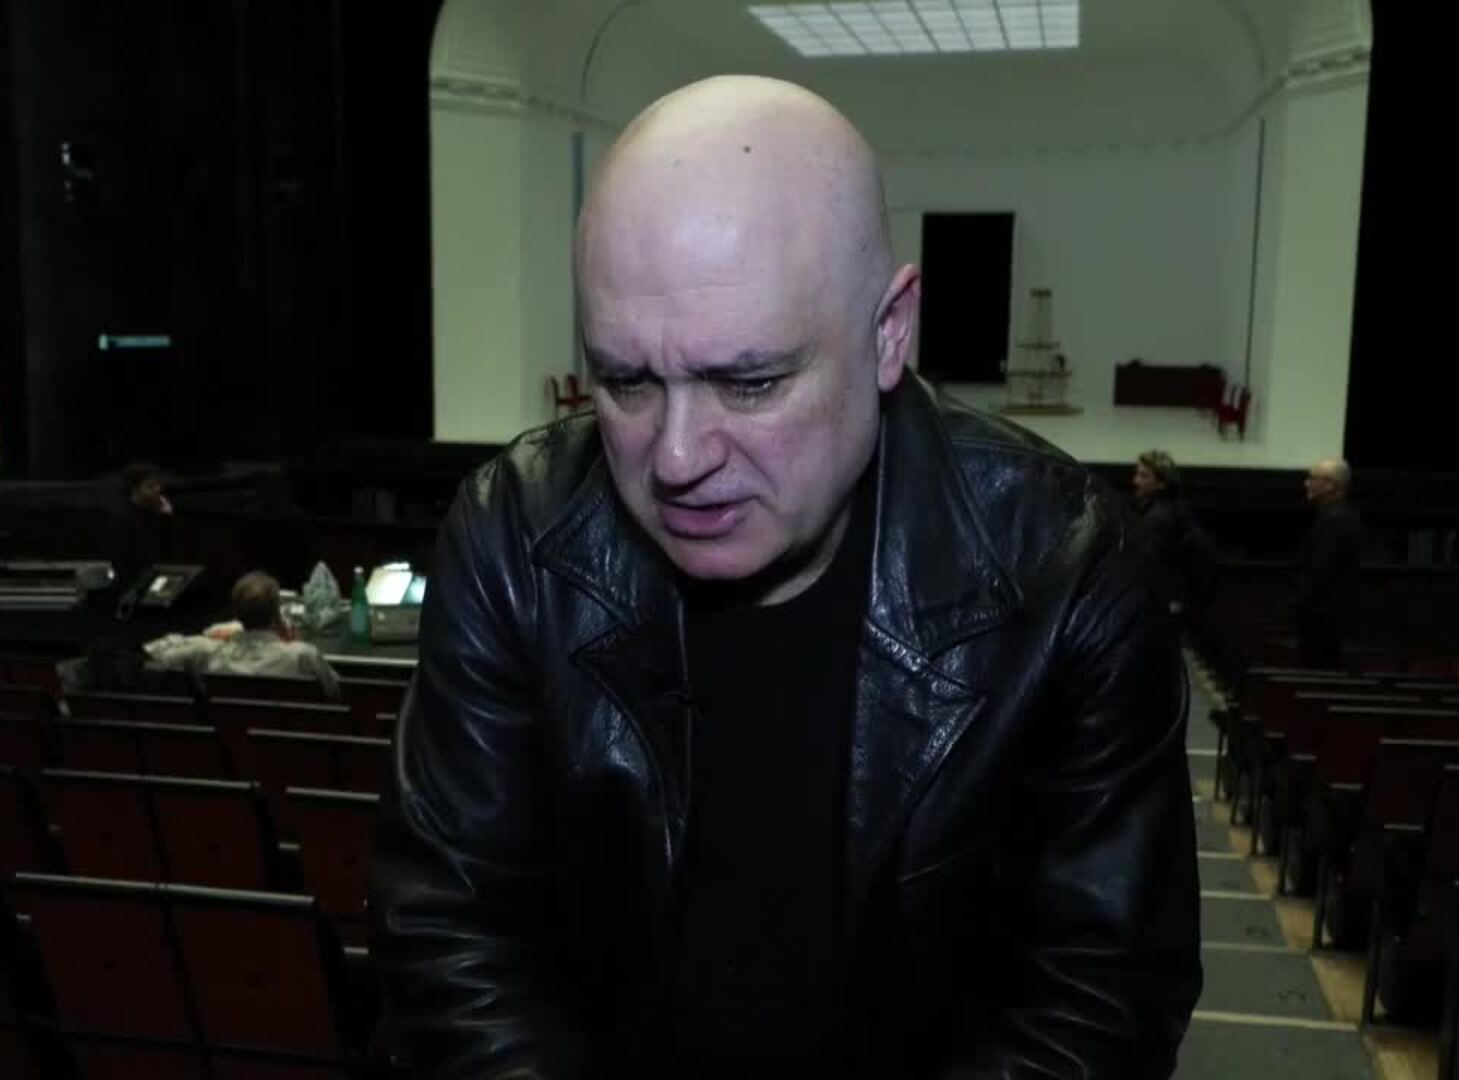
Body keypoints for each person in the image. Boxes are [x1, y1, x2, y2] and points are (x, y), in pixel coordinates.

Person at [369, 76, 1200, 1077]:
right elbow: (448, 934)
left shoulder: (1070, 569)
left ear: (889, 333)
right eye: (626, 381)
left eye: (751, 381)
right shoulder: (510, 534)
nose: (678, 458)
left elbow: (1103, 997)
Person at [142, 571, 341, 697]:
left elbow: (153, 653)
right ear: (276, 613)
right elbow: (336, 691)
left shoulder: (206, 652)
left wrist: (207, 638)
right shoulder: (302, 655)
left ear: (236, 614)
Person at [1292, 457, 1361, 669]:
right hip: (1328, 621)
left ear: (1331, 485)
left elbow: (1319, 575)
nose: (1306, 483)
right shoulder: (1340, 517)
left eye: (1312, 478)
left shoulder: (1334, 522)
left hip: (1322, 625)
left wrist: (1299, 604)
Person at [1132, 449, 1208, 612]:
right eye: (1137, 474)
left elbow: (1150, 566)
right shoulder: (1178, 508)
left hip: (1164, 602)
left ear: (1162, 483)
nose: (1136, 481)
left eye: (1144, 476)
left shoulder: (1158, 518)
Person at [110, 461, 173, 582]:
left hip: (155, 576)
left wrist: (166, 519)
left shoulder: (156, 512)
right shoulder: (122, 517)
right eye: (150, 486)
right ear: (134, 488)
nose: (157, 489)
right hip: (132, 580)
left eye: (158, 484)